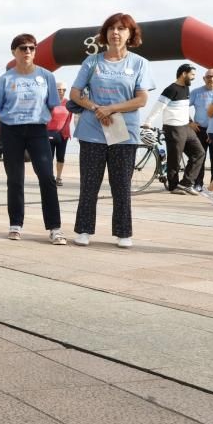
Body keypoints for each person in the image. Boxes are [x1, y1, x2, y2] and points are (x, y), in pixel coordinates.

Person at [69, 13, 155, 248]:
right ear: (105, 34)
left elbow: (141, 100)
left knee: (121, 186)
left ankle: (123, 232)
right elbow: (75, 93)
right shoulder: (92, 61)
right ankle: (84, 230)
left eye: (121, 29)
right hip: (92, 131)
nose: (116, 33)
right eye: (111, 29)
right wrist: (96, 107)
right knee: (89, 184)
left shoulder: (139, 63)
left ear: (130, 35)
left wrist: (111, 109)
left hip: (124, 133)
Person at [0, 34, 67, 245]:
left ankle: (54, 228)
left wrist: (39, 120)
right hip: (12, 132)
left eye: (31, 48)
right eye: (23, 48)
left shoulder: (46, 76)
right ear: (14, 52)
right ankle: (15, 224)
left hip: (37, 131)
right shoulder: (5, 79)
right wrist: (9, 124)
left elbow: (53, 104)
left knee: (47, 177)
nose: (27, 52)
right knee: (15, 179)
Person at [142, 64, 205, 195]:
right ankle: (173, 186)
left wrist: (190, 122)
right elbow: (158, 107)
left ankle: (186, 183)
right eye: (192, 74)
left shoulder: (186, 88)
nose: (193, 78)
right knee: (174, 159)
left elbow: (183, 108)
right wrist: (147, 122)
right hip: (173, 128)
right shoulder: (171, 89)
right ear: (184, 74)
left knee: (199, 153)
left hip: (186, 127)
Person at [190, 68, 213, 193]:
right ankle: (198, 184)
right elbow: (181, 107)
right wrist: (189, 122)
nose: (211, 79)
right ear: (204, 78)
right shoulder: (196, 92)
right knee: (199, 158)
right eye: (208, 77)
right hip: (199, 130)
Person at [46, 83, 73, 186]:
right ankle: (50, 177)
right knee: (49, 157)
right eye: (59, 89)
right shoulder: (50, 102)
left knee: (60, 157)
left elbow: (69, 118)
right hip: (49, 133)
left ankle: (58, 177)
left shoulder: (68, 103)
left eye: (63, 89)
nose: (61, 91)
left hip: (63, 134)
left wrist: (65, 130)